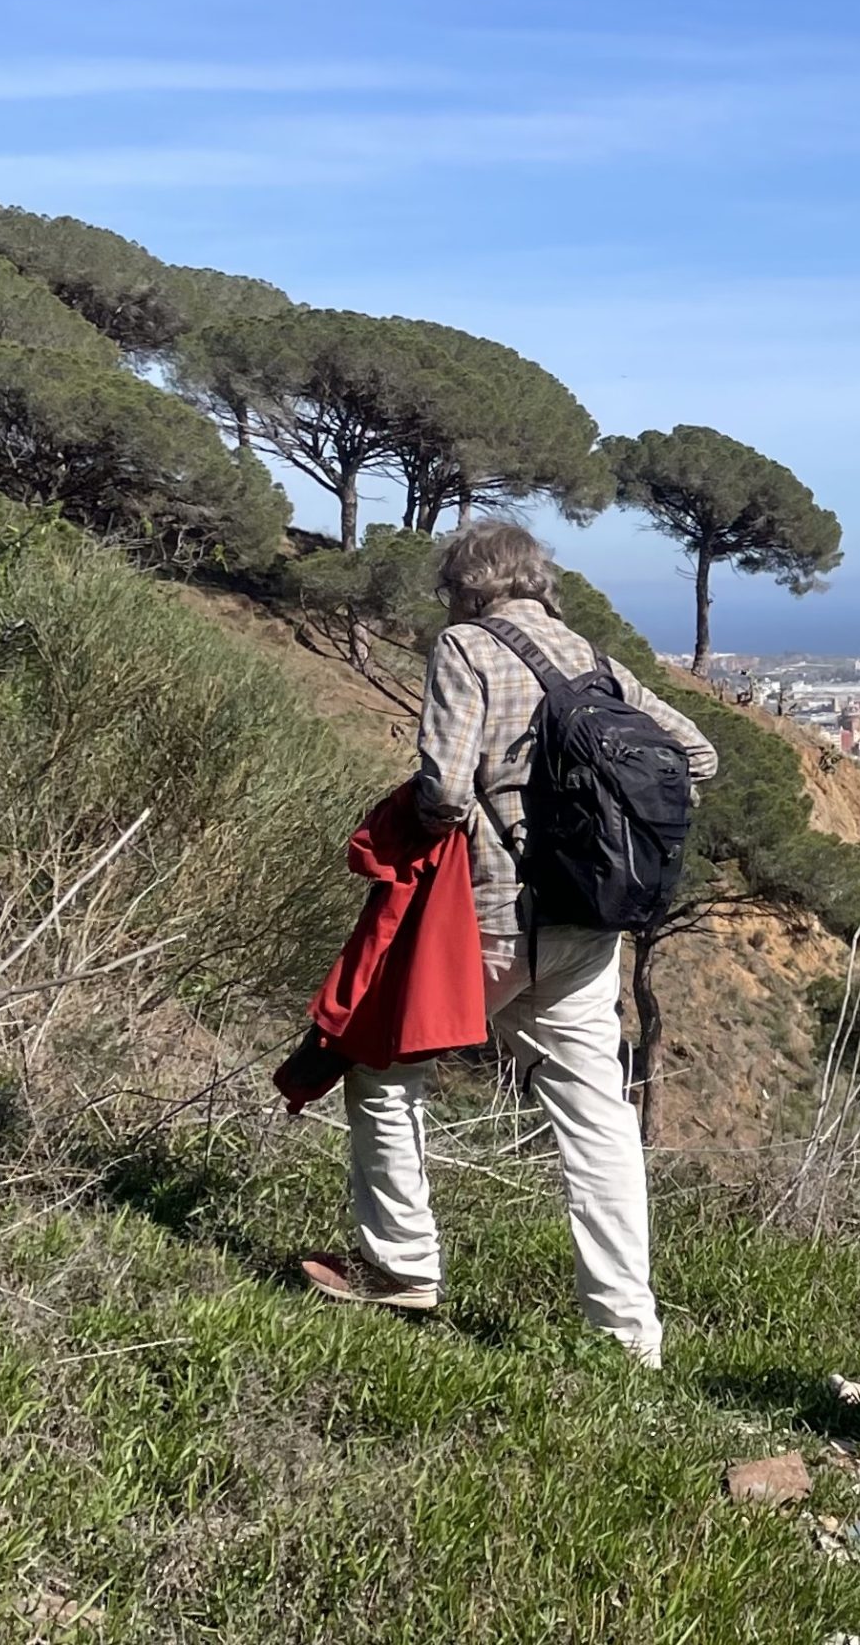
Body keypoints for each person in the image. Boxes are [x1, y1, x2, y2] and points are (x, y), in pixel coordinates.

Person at [321, 521, 717, 1369]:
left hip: (491, 915)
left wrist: (462, 815)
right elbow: (699, 757)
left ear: (464, 586)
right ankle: (626, 1338)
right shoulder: (594, 660)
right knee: (597, 1117)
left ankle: (402, 1266)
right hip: (588, 920)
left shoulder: (466, 646)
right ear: (538, 581)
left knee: (384, 1069)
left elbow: (444, 786)